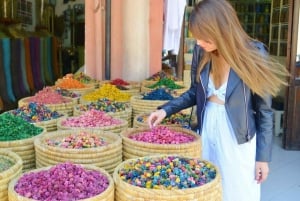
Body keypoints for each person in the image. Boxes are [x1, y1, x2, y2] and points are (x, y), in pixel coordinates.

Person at [148, 0, 289, 200]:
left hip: (237, 136)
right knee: (207, 187)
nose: (198, 43)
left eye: (203, 37)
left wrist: (263, 158)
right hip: (207, 130)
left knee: (237, 191)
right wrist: (165, 110)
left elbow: (264, 111)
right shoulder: (201, 52)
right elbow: (195, 92)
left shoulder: (254, 53)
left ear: (219, 30)